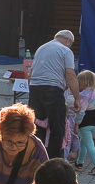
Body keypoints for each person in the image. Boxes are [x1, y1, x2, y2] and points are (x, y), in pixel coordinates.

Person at [28, 29, 79, 159]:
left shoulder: (41, 48)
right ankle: (53, 162)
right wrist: (77, 98)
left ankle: (36, 159)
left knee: (37, 127)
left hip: (35, 89)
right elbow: (71, 75)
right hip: (52, 90)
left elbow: (31, 73)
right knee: (57, 128)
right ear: (68, 40)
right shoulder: (65, 50)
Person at [70, 71, 95, 175]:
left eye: (78, 82)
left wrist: (76, 124)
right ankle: (79, 163)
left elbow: (81, 112)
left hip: (85, 123)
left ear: (84, 82)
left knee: (90, 145)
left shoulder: (83, 96)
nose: (78, 85)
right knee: (84, 143)